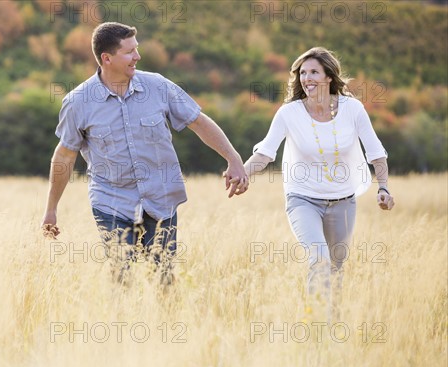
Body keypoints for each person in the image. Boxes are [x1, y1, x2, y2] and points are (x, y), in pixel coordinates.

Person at [41, 22, 248, 285]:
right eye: (129, 52)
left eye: (136, 49)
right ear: (107, 58)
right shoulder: (78, 102)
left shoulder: (158, 87)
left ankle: (165, 324)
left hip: (160, 197)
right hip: (111, 199)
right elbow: (65, 157)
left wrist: (234, 159)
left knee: (163, 277)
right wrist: (51, 210)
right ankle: (123, 324)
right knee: (121, 276)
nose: (137, 56)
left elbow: (199, 122)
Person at [242, 47, 395, 319]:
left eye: (313, 72)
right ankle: (314, 321)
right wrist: (242, 173)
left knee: (336, 267)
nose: (306, 78)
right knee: (319, 258)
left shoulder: (353, 109)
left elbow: (376, 152)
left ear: (328, 76)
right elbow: (265, 152)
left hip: (343, 201)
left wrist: (383, 187)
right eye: (302, 73)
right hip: (303, 199)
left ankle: (331, 324)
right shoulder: (290, 113)